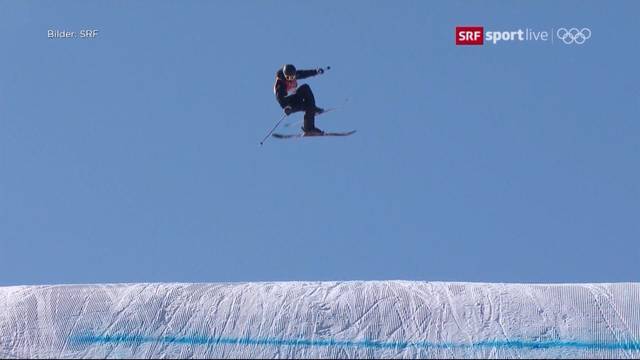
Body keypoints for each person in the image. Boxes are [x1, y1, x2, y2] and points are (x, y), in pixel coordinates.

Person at [273, 64, 326, 135]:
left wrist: (316, 72)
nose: (291, 78)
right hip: (288, 103)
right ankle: (309, 128)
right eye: (288, 77)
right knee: (307, 106)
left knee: (305, 88)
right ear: (285, 75)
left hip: (294, 97)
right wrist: (286, 107)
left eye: (293, 76)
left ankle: (311, 108)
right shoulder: (280, 83)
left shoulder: (294, 74)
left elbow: (303, 73)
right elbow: (279, 97)